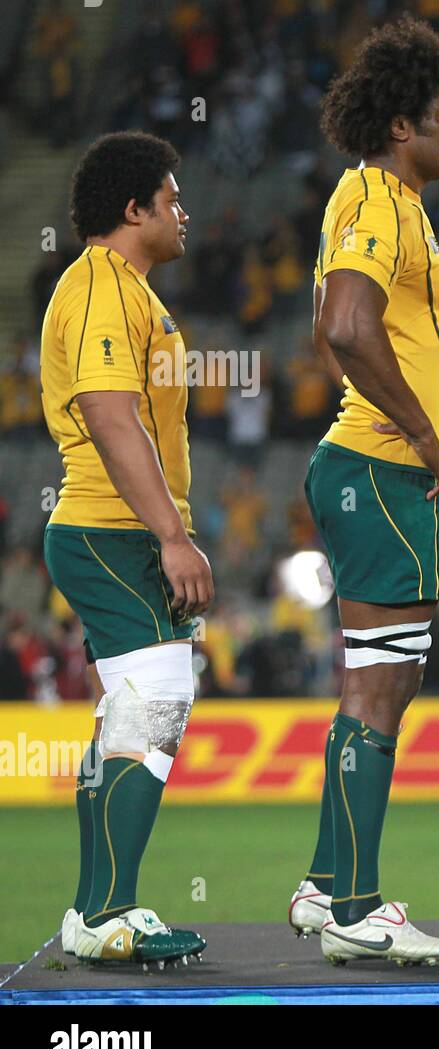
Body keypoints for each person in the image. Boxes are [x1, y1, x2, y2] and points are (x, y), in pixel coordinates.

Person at [286, 19, 439, 967]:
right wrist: (425, 431)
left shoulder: (398, 204)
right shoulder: (373, 197)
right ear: (401, 125)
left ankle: (326, 885)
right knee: (379, 684)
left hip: (377, 470)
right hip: (380, 469)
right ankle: (359, 905)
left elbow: (348, 327)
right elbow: (347, 327)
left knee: (381, 676)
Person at [43, 132, 212, 966]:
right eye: (172, 199)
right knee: (158, 702)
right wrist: (173, 536)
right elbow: (111, 415)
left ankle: (91, 913)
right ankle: (110, 908)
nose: (185, 212)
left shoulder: (124, 289)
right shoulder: (106, 285)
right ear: (133, 209)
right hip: (111, 528)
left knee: (128, 714)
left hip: (108, 527)